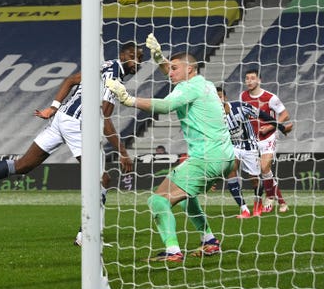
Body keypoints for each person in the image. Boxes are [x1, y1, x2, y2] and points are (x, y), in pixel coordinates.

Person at [0, 42, 143, 245]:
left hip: (62, 118)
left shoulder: (105, 65)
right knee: (102, 178)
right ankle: (86, 236)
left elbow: (70, 80)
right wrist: (122, 151)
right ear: (122, 55)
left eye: (140, 58)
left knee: (23, 165)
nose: (137, 61)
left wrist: (53, 108)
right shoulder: (114, 77)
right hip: (76, 123)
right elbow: (103, 117)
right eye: (133, 55)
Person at [106, 33, 234, 262]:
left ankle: (173, 251)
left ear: (190, 69)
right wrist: (159, 58)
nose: (170, 72)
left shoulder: (189, 88)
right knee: (185, 197)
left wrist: (128, 100)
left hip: (206, 158)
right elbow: (175, 73)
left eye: (175, 68)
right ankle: (210, 241)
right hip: (224, 157)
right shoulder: (203, 84)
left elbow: (165, 106)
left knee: (158, 200)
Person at [216, 86, 291, 218]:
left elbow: (261, 114)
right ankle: (245, 209)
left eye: (220, 95)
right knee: (231, 172)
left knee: (255, 180)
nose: (217, 98)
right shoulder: (214, 117)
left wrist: (281, 127)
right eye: (214, 97)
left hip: (249, 146)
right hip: (232, 147)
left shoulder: (239, 106)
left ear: (225, 97)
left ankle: (258, 203)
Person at [240, 69, 292, 213]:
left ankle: (272, 198)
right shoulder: (243, 96)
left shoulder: (270, 97)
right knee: (261, 172)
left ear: (259, 80)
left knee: (264, 168)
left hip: (268, 137)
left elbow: (285, 115)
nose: (249, 81)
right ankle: (278, 200)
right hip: (251, 138)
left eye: (252, 78)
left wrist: (270, 126)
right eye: (247, 78)